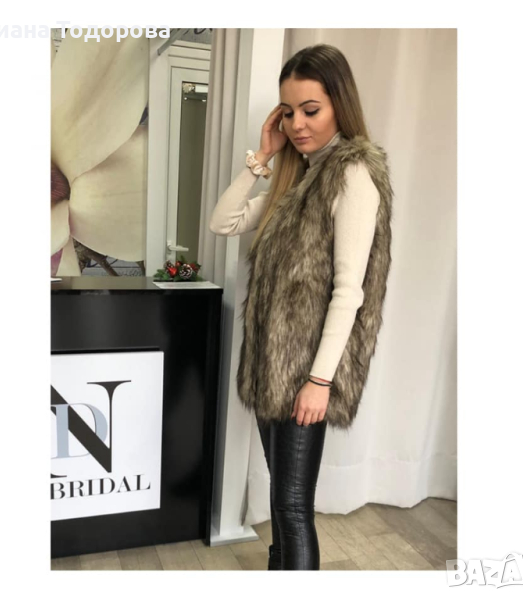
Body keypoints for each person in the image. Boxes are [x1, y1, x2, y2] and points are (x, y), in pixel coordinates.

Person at [209, 44, 393, 570]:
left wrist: (319, 381)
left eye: (310, 110)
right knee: (281, 498)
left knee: (292, 507)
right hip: (273, 368)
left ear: (339, 104)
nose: (297, 124)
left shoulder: (351, 174)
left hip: (308, 372)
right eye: (288, 112)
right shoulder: (299, 179)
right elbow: (222, 222)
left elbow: (349, 291)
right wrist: (262, 158)